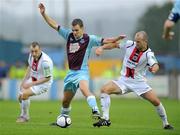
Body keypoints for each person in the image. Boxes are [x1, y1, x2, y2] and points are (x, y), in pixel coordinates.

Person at [38, 3, 125, 124]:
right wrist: (43, 14)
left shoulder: (89, 39)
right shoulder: (68, 35)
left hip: (82, 71)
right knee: (65, 101)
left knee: (85, 90)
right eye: (73, 30)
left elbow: (105, 40)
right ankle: (62, 120)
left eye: (76, 30)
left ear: (82, 28)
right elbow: (54, 25)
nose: (74, 32)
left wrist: (116, 38)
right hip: (71, 73)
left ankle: (95, 111)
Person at [93, 31, 173, 130]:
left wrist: (154, 69)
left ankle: (166, 124)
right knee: (104, 89)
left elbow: (155, 65)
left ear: (145, 41)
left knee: (156, 101)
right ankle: (106, 119)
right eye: (136, 41)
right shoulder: (130, 44)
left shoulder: (148, 54)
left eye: (138, 42)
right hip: (123, 81)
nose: (136, 43)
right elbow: (115, 45)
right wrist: (102, 48)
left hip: (139, 83)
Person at [16, 42, 53, 123]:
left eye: (36, 51)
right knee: (20, 97)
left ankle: (25, 117)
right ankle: (23, 114)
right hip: (34, 79)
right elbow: (29, 67)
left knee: (25, 94)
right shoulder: (31, 55)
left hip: (43, 83)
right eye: (32, 51)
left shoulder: (45, 62)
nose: (34, 53)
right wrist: (24, 81)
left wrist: (31, 83)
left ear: (40, 50)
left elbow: (47, 78)